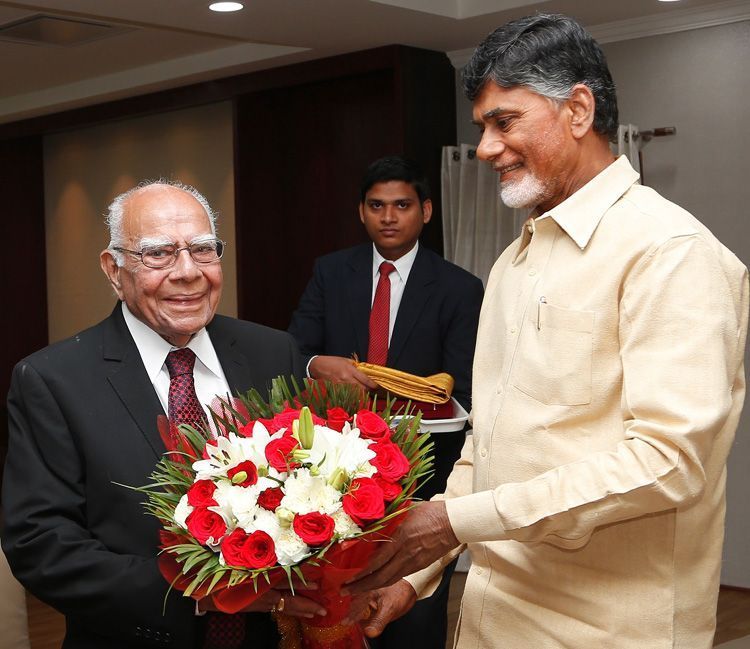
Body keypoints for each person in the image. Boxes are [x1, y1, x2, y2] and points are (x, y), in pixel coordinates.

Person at [344, 14, 750, 649]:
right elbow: (489, 443)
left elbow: (669, 463)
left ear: (578, 110)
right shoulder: (515, 261)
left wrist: (455, 522)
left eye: (504, 122)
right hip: (490, 617)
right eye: (482, 127)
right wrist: (413, 574)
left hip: (608, 632)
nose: (485, 148)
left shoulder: (669, 252)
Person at [2, 180, 325, 649]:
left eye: (203, 250)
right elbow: (41, 545)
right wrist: (196, 594)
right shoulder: (53, 380)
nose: (188, 272)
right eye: (158, 254)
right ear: (114, 270)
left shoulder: (273, 352)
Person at [288, 155, 484, 648]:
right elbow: (293, 352)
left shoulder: (460, 288)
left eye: (402, 205)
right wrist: (315, 365)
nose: (389, 217)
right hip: (335, 468)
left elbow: (463, 388)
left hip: (422, 470)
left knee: (413, 611)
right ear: (361, 212)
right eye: (377, 206)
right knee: (335, 602)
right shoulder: (331, 272)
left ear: (426, 211)